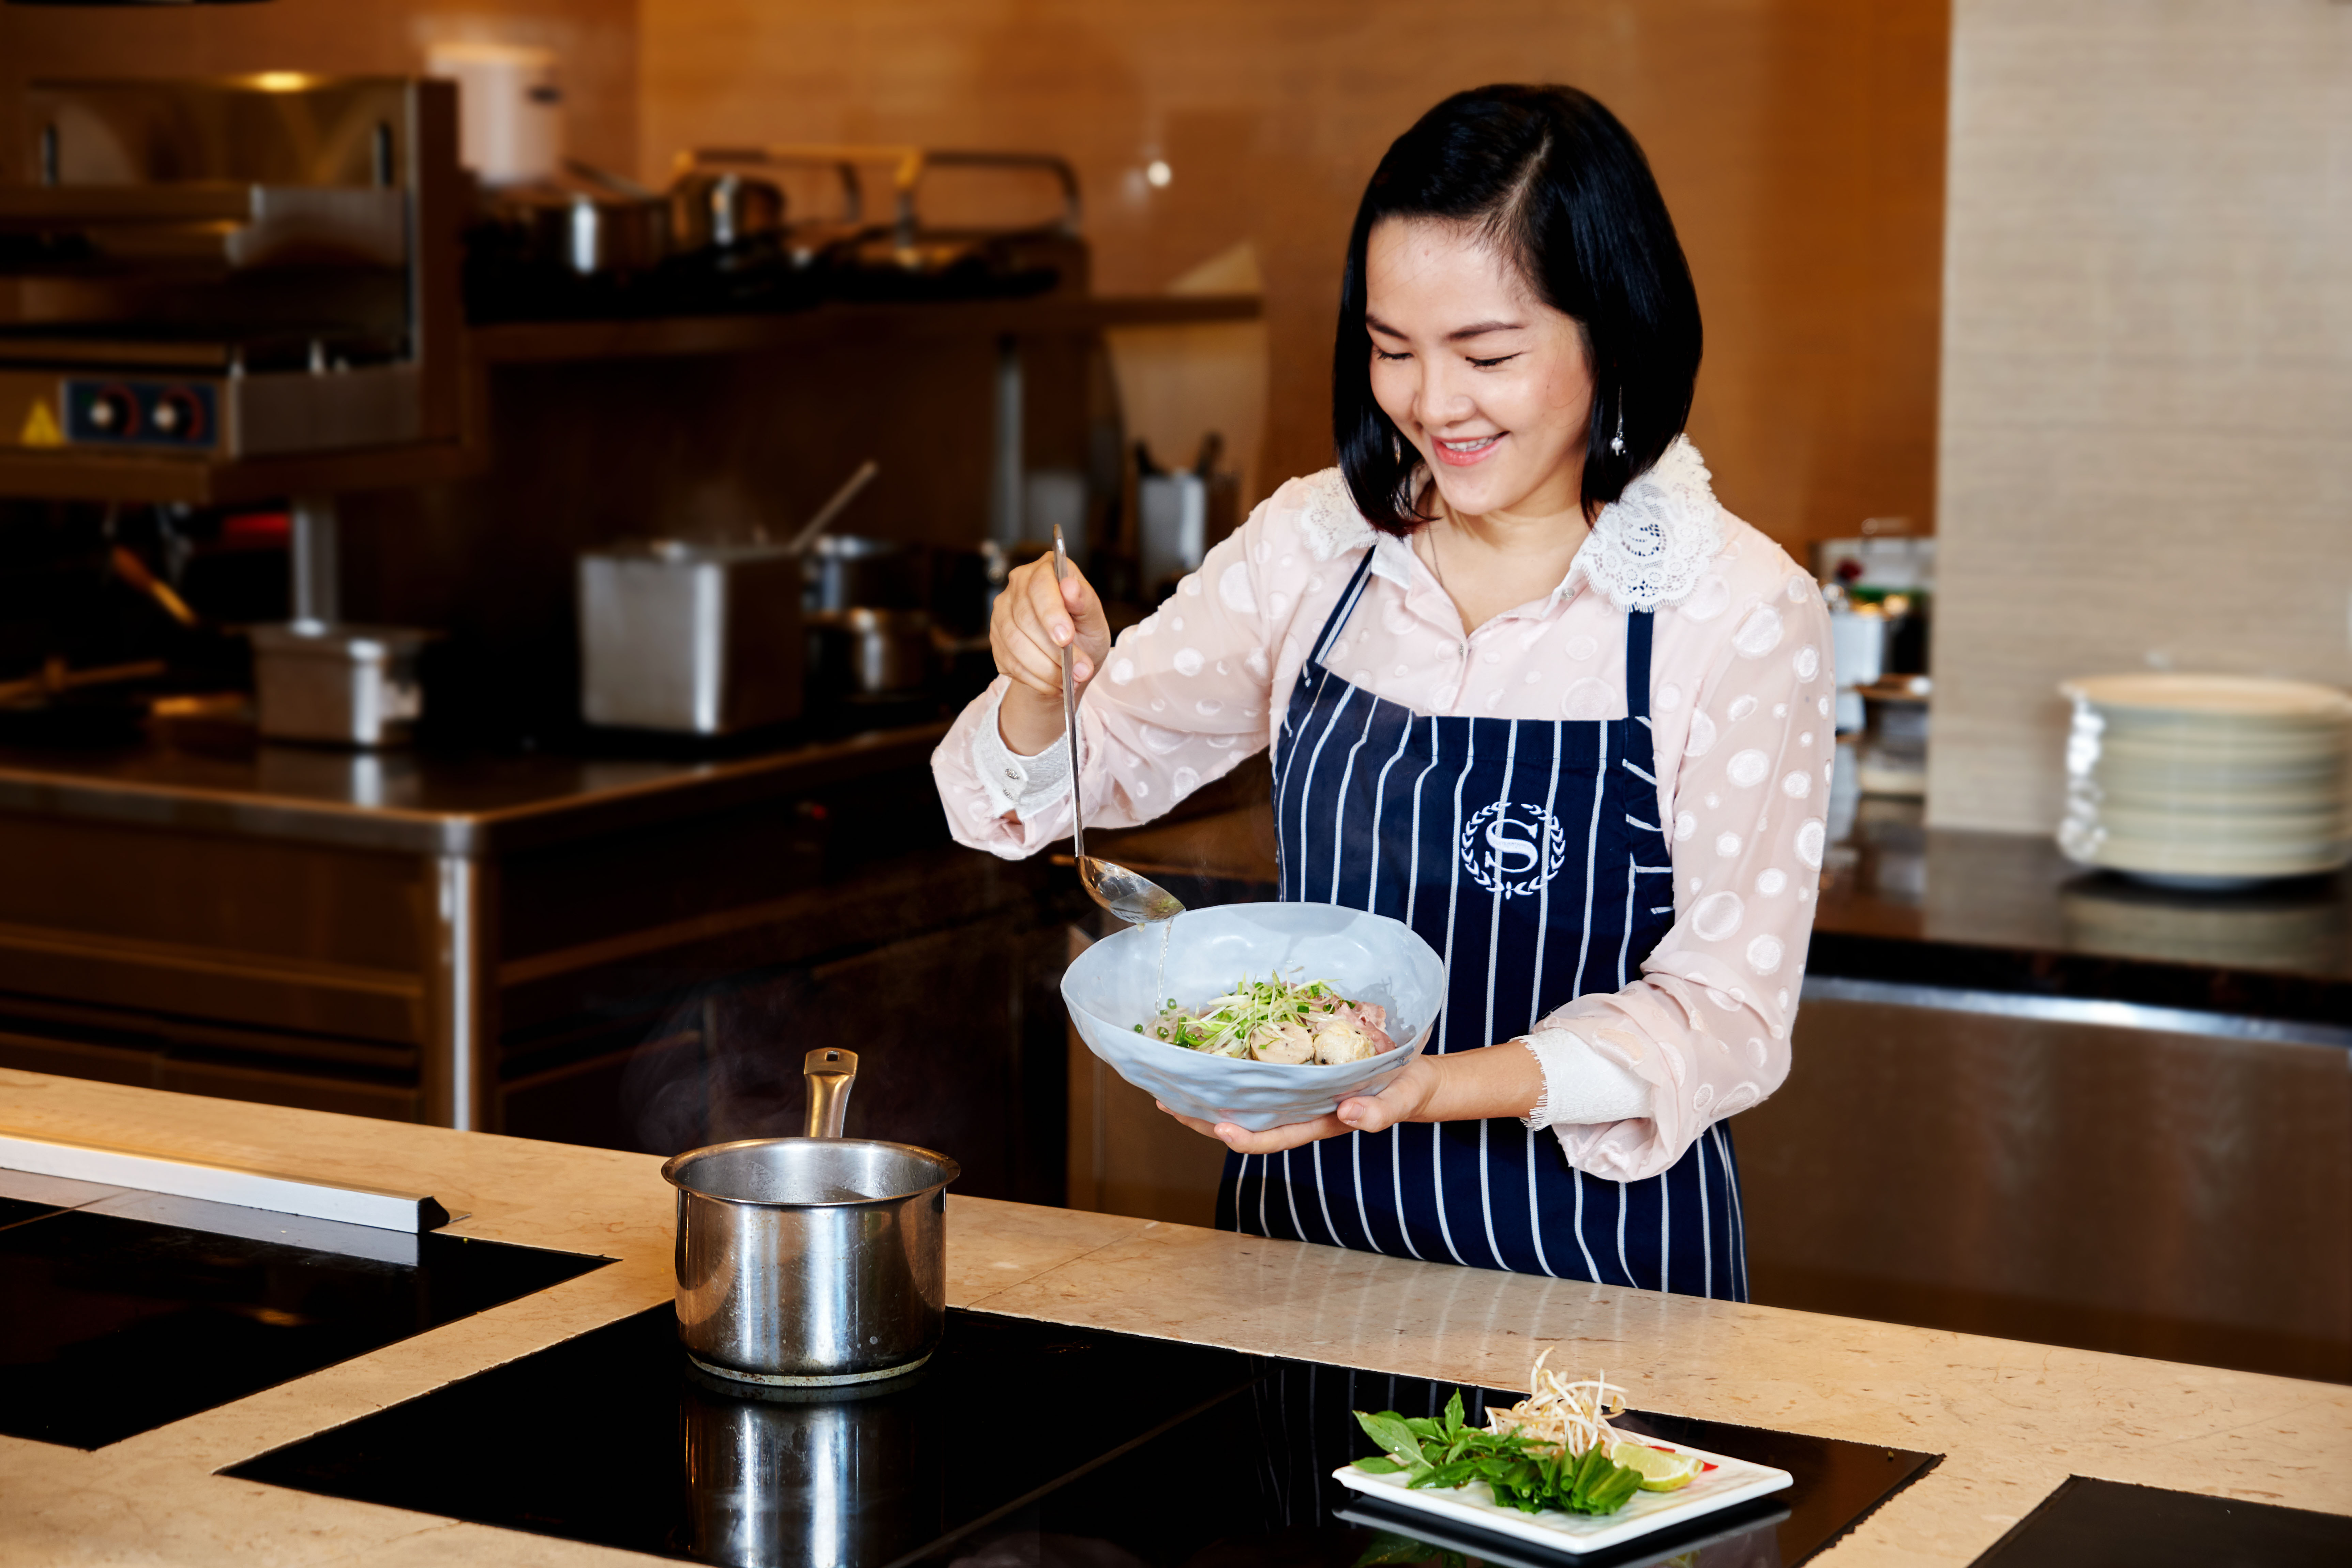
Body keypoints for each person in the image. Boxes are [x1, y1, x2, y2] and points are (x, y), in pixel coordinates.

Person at [933, 84, 1833, 1298]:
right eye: (1391, 349)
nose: (1431, 404)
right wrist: (1039, 679)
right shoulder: (1319, 546)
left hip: (1595, 1277)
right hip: (1293, 1254)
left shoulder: (1733, 610)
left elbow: (1727, 1014)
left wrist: (1433, 1087)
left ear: (1612, 328)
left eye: (1489, 354)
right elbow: (1059, 788)